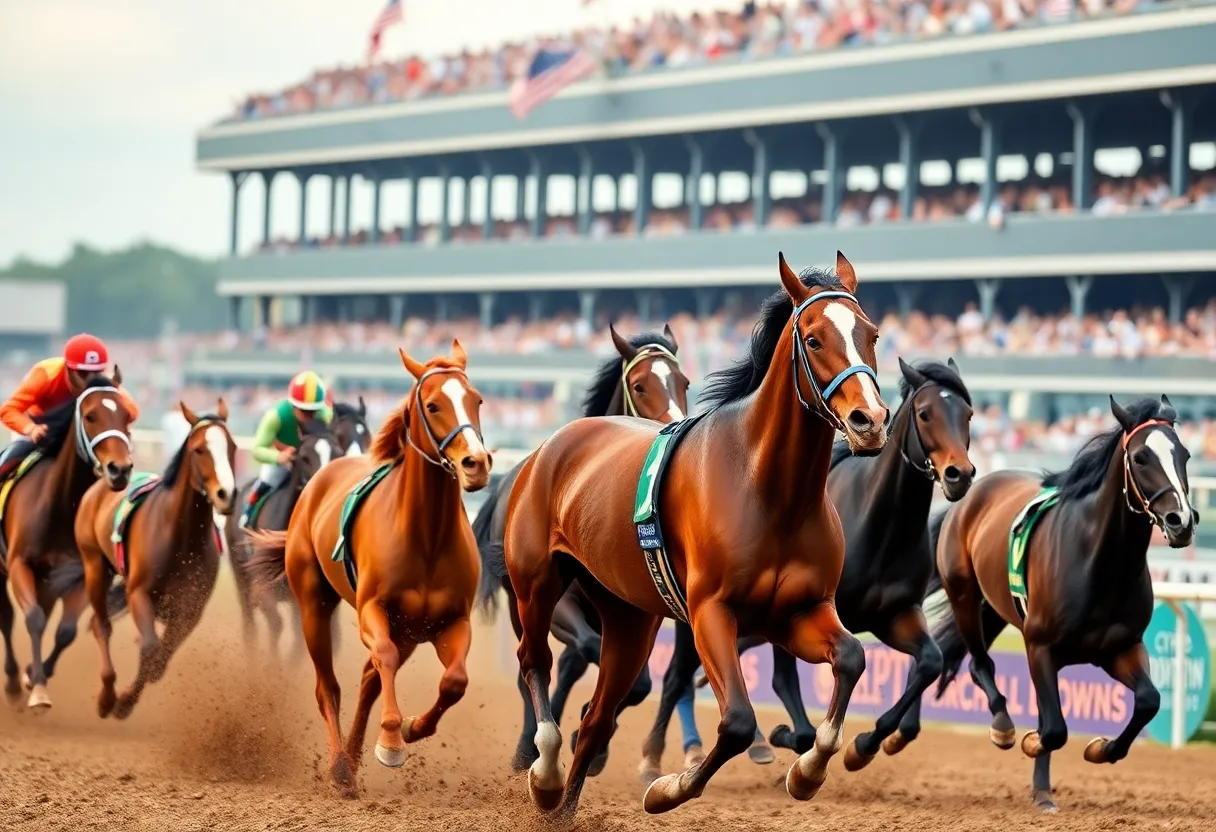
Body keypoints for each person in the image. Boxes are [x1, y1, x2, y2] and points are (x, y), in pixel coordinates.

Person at [0, 333, 139, 480]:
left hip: (78, 433)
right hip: (41, 430)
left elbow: (132, 411)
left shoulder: (103, 386)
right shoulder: (46, 374)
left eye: (97, 373)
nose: (90, 380)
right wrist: (30, 429)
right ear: (68, 368)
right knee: (9, 459)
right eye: (83, 373)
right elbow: (8, 410)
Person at [238, 370, 332, 528]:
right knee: (268, 478)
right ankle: (248, 514)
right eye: (304, 411)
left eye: (313, 411)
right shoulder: (276, 416)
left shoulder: (326, 415)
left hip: (312, 462)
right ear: (293, 405)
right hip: (284, 462)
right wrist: (278, 458)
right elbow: (257, 449)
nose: (310, 417)